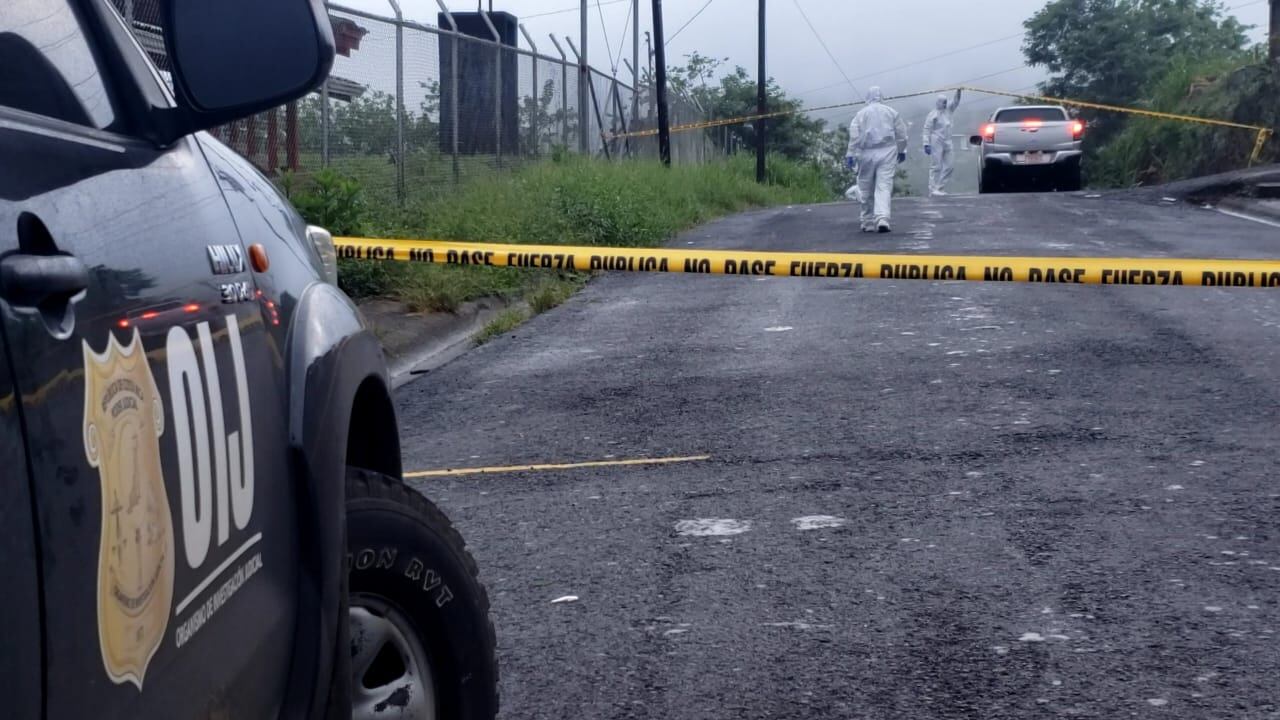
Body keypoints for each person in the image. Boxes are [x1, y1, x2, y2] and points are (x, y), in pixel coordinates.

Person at [846, 87, 909, 233]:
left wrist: (850, 154)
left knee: (865, 187)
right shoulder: (891, 112)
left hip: (866, 153)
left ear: (868, 97)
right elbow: (901, 134)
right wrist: (901, 150)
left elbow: (854, 136)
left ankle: (867, 221)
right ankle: (882, 219)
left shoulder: (861, 114)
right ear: (882, 97)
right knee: (884, 186)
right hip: (888, 151)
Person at [923, 89, 963, 196]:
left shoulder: (949, 110)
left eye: (946, 101)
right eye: (943, 102)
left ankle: (939, 187)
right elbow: (927, 129)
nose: (945, 104)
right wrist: (926, 144)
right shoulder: (932, 114)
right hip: (937, 140)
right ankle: (932, 189)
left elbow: (955, 101)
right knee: (936, 165)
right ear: (938, 102)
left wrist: (958, 92)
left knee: (950, 166)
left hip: (948, 140)